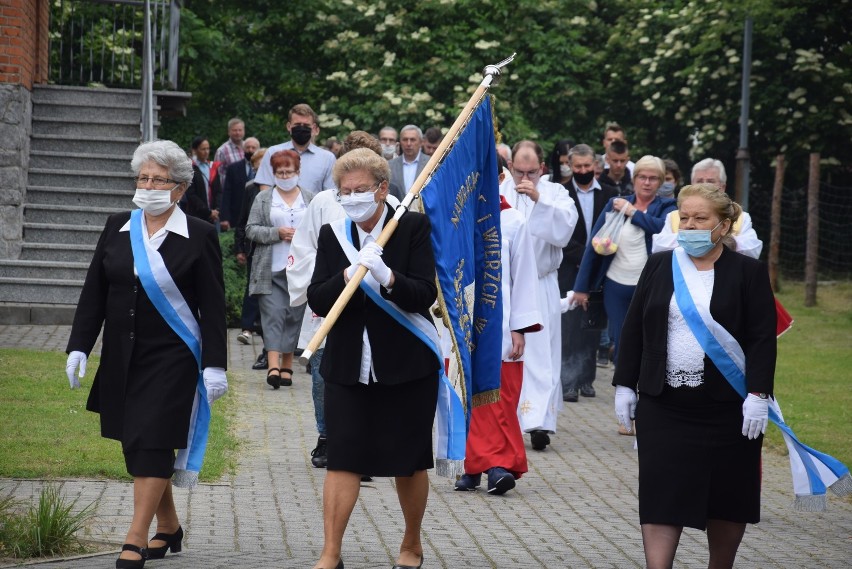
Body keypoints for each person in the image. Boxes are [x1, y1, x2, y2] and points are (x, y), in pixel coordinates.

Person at [64, 140, 227, 569]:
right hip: (122, 353)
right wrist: (79, 345)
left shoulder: (200, 234)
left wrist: (215, 364)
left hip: (173, 355)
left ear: (178, 188)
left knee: (154, 439)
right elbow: (94, 293)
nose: (148, 185)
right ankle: (169, 524)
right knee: (135, 445)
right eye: (143, 177)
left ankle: (135, 537)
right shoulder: (118, 224)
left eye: (158, 179)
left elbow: (212, 306)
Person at [613, 183, 776, 569]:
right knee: (661, 495)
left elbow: (761, 339)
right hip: (663, 405)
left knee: (727, 498)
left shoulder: (748, 272)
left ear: (724, 225)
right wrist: (624, 384)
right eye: (684, 217)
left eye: (700, 218)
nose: (690, 225)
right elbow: (634, 326)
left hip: (727, 408)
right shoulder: (659, 265)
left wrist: (758, 394)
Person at [307, 148, 438, 569]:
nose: (352, 197)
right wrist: (346, 275)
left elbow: (424, 295)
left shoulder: (412, 227)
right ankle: (330, 552)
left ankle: (411, 544)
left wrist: (387, 277)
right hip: (348, 365)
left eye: (360, 190)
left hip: (406, 367)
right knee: (342, 457)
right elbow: (318, 298)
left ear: (382, 190)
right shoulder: (334, 234)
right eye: (344, 191)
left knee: (408, 460)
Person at [287, 131, 401, 469]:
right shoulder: (324, 201)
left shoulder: (393, 206)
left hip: (377, 303)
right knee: (324, 370)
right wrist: (317, 288)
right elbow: (304, 248)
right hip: (332, 298)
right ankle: (327, 434)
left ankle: (369, 435)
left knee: (372, 369)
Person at [454, 157, 543, 495]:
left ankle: (497, 465)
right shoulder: (454, 220)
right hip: (462, 324)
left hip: (501, 326)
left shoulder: (513, 220)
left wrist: (519, 326)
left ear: (501, 177)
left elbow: (523, 277)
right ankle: (472, 464)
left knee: (499, 399)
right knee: (465, 395)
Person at [500, 140, 578, 451]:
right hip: (508, 286)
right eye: (519, 171)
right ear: (510, 168)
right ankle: (507, 416)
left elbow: (564, 231)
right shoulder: (500, 192)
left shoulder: (556, 193)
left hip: (542, 283)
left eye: (531, 172)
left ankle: (539, 422)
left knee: (542, 354)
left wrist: (538, 200)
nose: (525, 178)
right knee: (512, 351)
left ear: (542, 169)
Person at [573, 155, 677, 369]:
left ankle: (645, 390)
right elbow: (595, 244)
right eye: (642, 177)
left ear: (659, 182)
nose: (647, 183)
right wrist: (581, 287)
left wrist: (632, 212)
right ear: (635, 178)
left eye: (653, 178)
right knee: (621, 339)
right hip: (615, 285)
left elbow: (662, 228)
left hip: (650, 287)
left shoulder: (667, 206)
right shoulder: (616, 204)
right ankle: (623, 390)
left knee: (647, 339)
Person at [246, 150, 313, 389]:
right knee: (273, 315)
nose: (285, 176)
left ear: (298, 172)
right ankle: (273, 366)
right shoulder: (263, 199)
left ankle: (287, 366)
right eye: (280, 172)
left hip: (300, 269)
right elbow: (251, 229)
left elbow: (319, 231)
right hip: (270, 268)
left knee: (293, 317)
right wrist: (277, 233)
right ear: (273, 174)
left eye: (289, 171)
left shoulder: (310, 198)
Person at [556, 144, 618, 402]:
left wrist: (597, 258)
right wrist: (585, 256)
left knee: (592, 324)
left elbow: (615, 227)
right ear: (570, 166)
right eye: (577, 167)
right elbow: (558, 232)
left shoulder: (611, 194)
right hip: (571, 267)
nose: (583, 171)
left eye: (587, 166)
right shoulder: (561, 193)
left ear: (596, 166)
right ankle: (568, 381)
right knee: (570, 327)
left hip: (599, 270)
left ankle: (587, 378)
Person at [652, 158, 763, 258]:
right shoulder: (673, 216)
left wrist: (726, 241)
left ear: (722, 187)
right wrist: (692, 239)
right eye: (699, 181)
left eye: (710, 181)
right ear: (691, 185)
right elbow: (658, 247)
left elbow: (754, 249)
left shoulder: (741, 217)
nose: (704, 186)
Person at [255, 103, 336, 194]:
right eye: (297, 125)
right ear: (289, 126)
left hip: (314, 208)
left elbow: (330, 193)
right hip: (278, 207)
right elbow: (265, 189)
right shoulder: (273, 152)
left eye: (306, 126)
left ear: (313, 128)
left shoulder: (327, 158)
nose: (301, 128)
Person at [234, 147, 268, 356]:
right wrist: (240, 247)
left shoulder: (280, 189)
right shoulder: (250, 188)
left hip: (276, 249)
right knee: (252, 289)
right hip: (254, 247)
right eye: (259, 163)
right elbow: (243, 220)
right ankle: (247, 328)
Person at [221, 136, 260, 232]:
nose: (250, 150)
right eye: (248, 147)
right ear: (243, 149)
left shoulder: (264, 168)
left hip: (258, 213)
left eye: (253, 147)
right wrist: (224, 217)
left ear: (258, 149)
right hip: (237, 214)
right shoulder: (233, 168)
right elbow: (227, 193)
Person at [185, 136, 222, 228]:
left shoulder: (212, 167)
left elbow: (218, 190)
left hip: (214, 215)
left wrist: (216, 210)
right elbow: (191, 194)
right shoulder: (190, 168)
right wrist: (207, 212)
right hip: (196, 214)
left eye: (208, 149)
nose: (206, 152)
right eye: (203, 149)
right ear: (195, 150)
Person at [388, 124, 429, 199]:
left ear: (421, 142)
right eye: (405, 139)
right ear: (400, 142)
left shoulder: (430, 164)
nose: (408, 144)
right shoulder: (390, 165)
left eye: (412, 140)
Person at [214, 117, 246, 188]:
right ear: (229, 132)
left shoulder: (249, 147)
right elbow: (219, 175)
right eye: (234, 130)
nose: (237, 133)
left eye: (240, 130)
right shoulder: (222, 151)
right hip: (232, 192)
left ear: (244, 131)